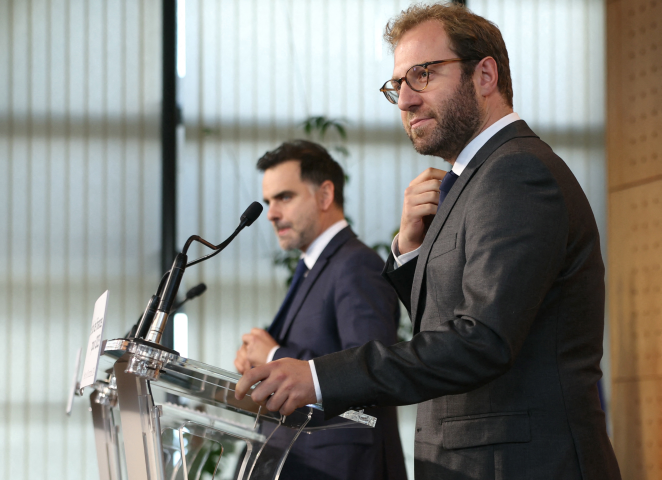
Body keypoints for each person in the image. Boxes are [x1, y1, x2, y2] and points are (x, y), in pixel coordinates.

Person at [235, 4, 622, 479]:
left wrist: (317, 377)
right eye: (397, 84)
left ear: (484, 75)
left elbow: (481, 340)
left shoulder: (517, 172)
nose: (405, 100)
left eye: (422, 75)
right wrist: (411, 250)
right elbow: (449, 319)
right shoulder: (472, 179)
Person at [234, 139, 407, 480]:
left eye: (284, 197)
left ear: (325, 195)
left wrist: (274, 356)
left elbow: (372, 368)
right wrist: (261, 365)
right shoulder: (314, 267)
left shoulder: (357, 264)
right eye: (269, 201)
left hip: (340, 467)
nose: (271, 213)